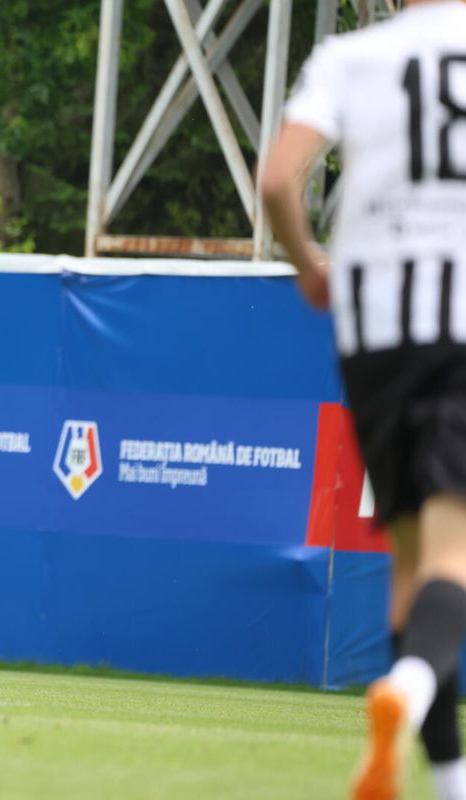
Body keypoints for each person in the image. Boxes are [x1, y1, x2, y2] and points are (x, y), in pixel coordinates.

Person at [261, 2, 466, 797]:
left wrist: (309, 259)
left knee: (409, 570)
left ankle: (448, 781)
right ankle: (407, 688)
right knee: (455, 558)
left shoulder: (351, 56)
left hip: (374, 333)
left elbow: (279, 178)